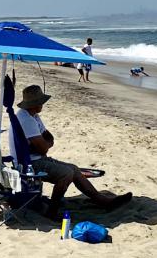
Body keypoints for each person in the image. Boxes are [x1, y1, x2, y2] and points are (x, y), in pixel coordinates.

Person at [14, 85, 132, 215]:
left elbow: (48, 137)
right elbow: (43, 148)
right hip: (29, 163)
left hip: (34, 158)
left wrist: (45, 143)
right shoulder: (27, 120)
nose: (43, 104)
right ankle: (52, 211)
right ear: (36, 103)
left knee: (74, 169)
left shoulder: (32, 115)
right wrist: (45, 143)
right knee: (66, 174)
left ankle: (102, 201)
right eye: (41, 101)